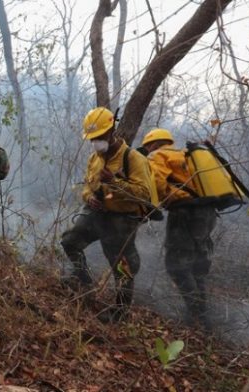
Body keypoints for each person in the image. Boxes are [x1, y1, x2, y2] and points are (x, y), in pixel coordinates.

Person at [61, 107, 154, 323]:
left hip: (122, 219)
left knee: (122, 265)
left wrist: (115, 182)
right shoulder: (94, 158)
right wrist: (88, 197)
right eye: (92, 138)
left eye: (100, 137)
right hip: (96, 213)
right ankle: (84, 281)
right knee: (70, 241)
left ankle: (120, 314)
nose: (96, 142)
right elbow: (86, 186)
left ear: (112, 131)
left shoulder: (133, 158)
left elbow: (144, 194)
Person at [141, 128, 217, 327]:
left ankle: (197, 316)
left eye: (147, 146)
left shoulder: (157, 155)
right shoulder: (186, 154)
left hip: (184, 212)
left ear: (153, 144)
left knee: (177, 265)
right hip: (207, 212)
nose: (147, 149)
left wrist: (151, 205)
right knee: (197, 265)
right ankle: (202, 315)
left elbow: (156, 182)